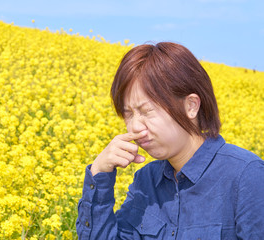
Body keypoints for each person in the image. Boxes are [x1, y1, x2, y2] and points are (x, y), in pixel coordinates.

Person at [76, 42, 264, 239]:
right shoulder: (146, 181)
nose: (135, 127)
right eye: (128, 114)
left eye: (147, 111)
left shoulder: (246, 176)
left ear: (191, 106)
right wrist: (99, 173)